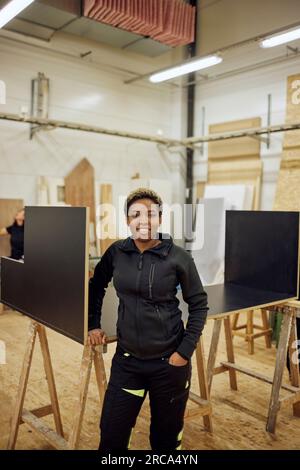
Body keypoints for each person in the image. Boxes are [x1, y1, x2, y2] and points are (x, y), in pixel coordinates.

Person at [88, 188, 208, 451]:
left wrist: (183, 353)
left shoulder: (178, 257)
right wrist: (93, 323)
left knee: (165, 441)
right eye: (136, 214)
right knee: (111, 437)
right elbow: (96, 285)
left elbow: (199, 305)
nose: (144, 220)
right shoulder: (116, 252)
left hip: (169, 365)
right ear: (127, 220)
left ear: (160, 219)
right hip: (128, 363)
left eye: (151, 214)